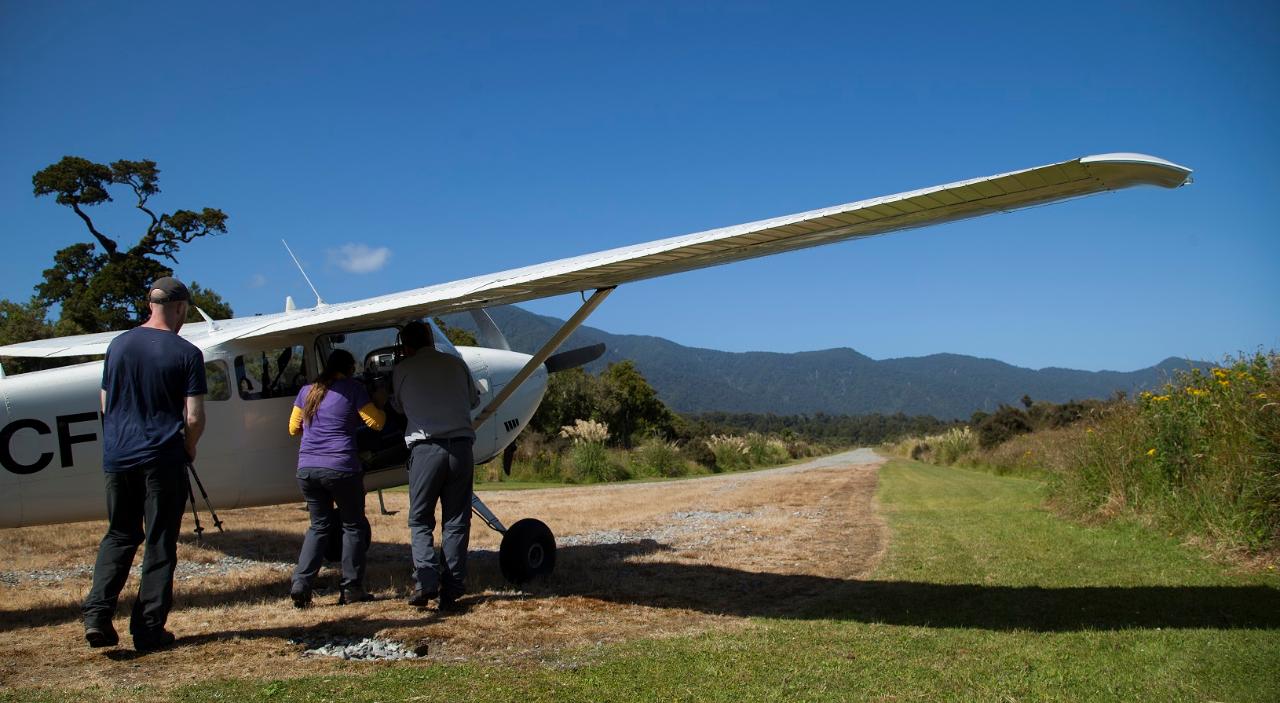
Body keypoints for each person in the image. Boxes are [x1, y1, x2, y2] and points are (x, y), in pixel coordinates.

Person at [83, 276, 206, 653]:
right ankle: (149, 629)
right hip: (161, 457)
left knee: (119, 534)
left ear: (149, 305)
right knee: (159, 542)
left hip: (118, 456)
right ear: (181, 307)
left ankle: (97, 614)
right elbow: (194, 417)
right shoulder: (187, 353)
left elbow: (105, 403)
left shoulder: (117, 346)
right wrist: (188, 447)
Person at [391, 320, 479, 610]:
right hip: (461, 449)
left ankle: (426, 580)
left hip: (426, 450)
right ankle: (452, 588)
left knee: (420, 519)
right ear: (431, 338)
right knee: (456, 520)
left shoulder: (402, 369)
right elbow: (473, 400)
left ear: (406, 346)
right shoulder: (456, 364)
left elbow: (399, 407)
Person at [287, 349, 386, 607]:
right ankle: (352, 587)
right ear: (350, 369)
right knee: (353, 526)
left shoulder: (306, 391)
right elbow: (376, 423)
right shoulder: (352, 389)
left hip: (307, 469)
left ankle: (301, 583)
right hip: (341, 467)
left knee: (318, 527)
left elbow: (293, 428)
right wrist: (381, 403)